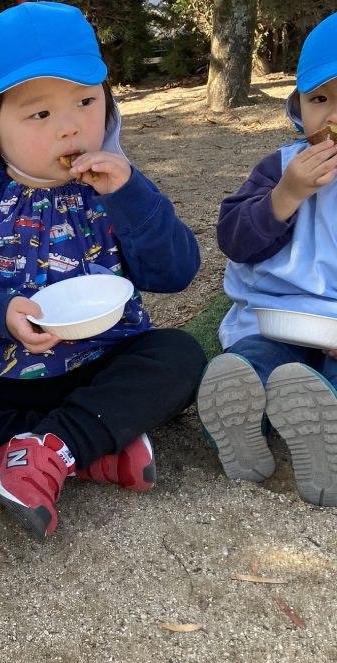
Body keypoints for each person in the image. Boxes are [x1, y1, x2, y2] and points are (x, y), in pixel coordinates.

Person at [0, 2, 206, 542]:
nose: (70, 126)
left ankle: (49, 450)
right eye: (39, 114)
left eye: (86, 101)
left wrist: (132, 198)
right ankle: (85, 448)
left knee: (180, 354)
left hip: (100, 361)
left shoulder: (119, 189)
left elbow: (176, 272)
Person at [197, 11, 337, 507]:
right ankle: (241, 428)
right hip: (277, 316)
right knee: (253, 366)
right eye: (320, 99)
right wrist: (285, 196)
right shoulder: (282, 165)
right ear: (298, 105)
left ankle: (325, 444)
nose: (332, 116)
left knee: (322, 387)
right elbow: (234, 239)